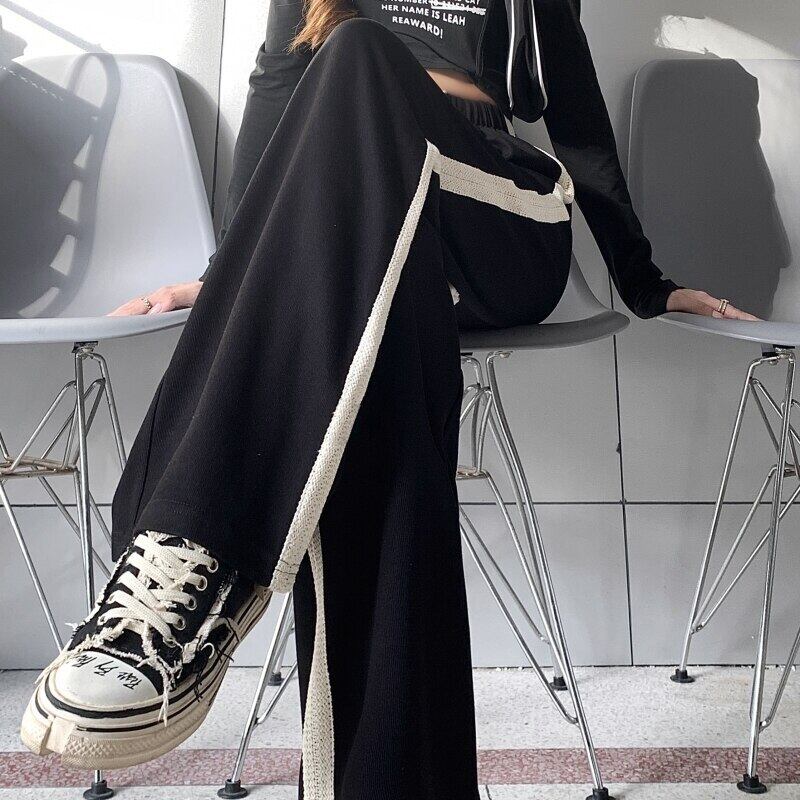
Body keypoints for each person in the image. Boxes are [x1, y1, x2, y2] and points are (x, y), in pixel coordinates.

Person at [20, 0, 756, 797]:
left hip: (496, 211)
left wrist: (644, 281)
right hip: (366, 219)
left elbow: (575, 109)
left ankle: (192, 546)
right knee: (372, 362)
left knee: (359, 53)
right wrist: (230, 271)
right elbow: (277, 85)